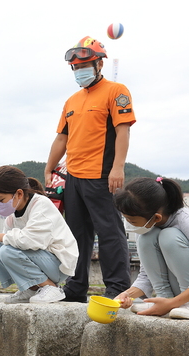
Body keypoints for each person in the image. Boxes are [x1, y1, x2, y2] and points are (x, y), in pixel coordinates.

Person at [44, 36, 136, 302]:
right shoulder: (71, 101)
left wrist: (118, 168)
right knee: (75, 236)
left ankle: (117, 288)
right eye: (75, 66)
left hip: (102, 175)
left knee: (109, 232)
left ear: (98, 64)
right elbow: (62, 137)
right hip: (73, 176)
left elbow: (123, 131)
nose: (79, 70)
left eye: (85, 64)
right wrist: (49, 168)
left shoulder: (116, 91)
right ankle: (75, 289)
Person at [113, 177, 189, 319]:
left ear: (157, 217)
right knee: (147, 237)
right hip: (180, 291)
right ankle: (163, 298)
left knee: (169, 236)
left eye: (131, 220)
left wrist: (171, 304)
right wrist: (126, 295)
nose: (129, 225)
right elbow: (147, 275)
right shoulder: (147, 227)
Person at [0, 166, 78, 304]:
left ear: (18, 194)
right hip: (41, 260)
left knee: (6, 250)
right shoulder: (12, 215)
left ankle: (51, 287)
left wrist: (1, 237)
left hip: (58, 264)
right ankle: (31, 288)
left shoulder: (41, 205)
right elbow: (5, 242)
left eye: (1, 200)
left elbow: (32, 240)